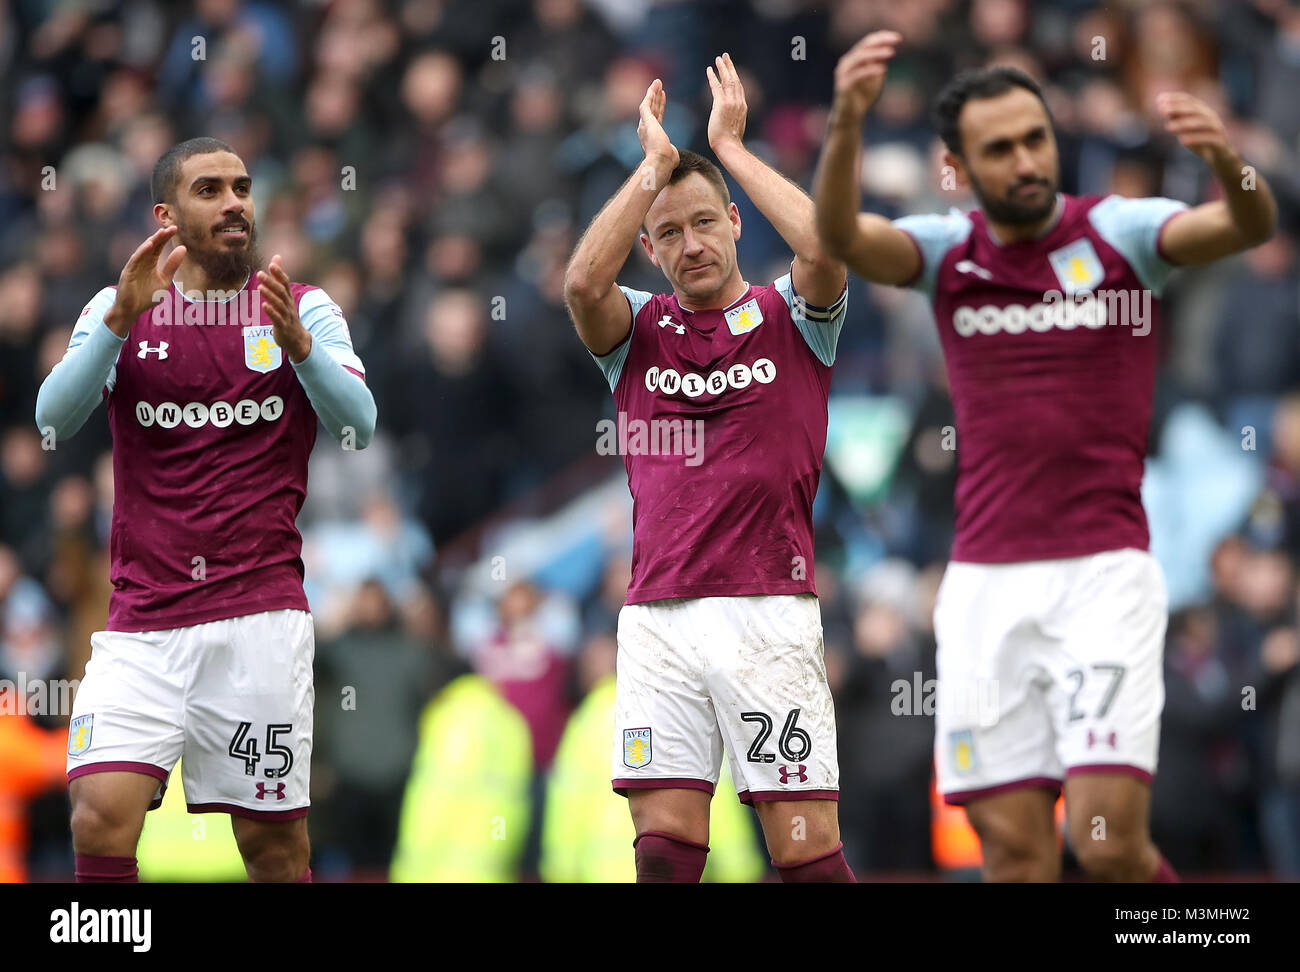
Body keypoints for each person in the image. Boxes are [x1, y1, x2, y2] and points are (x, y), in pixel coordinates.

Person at [813, 32, 1277, 881]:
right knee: (1016, 854)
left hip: (1104, 576)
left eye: (1035, 138)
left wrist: (1228, 157)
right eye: (999, 148)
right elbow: (839, 235)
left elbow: (1253, 220)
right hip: (986, 587)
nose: (1026, 160)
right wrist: (846, 121)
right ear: (958, 165)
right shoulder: (949, 251)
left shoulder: (1118, 234)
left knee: (1106, 844)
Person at [34, 136, 377, 883]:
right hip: (143, 621)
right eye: (210, 190)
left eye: (243, 188)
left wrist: (300, 350)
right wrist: (119, 322)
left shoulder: (303, 309)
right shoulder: (118, 306)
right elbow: (52, 418)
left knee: (273, 850)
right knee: (97, 812)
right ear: (165, 215)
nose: (234, 205)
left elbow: (360, 426)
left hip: (257, 617)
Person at [563, 54, 854, 882]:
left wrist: (728, 147)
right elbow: (584, 283)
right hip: (658, 616)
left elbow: (827, 244)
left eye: (702, 222)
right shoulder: (637, 335)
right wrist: (650, 170)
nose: (690, 245)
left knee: (805, 854)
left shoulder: (791, 317)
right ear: (650, 252)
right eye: (668, 233)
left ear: (734, 220)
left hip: (768, 610)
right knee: (662, 853)